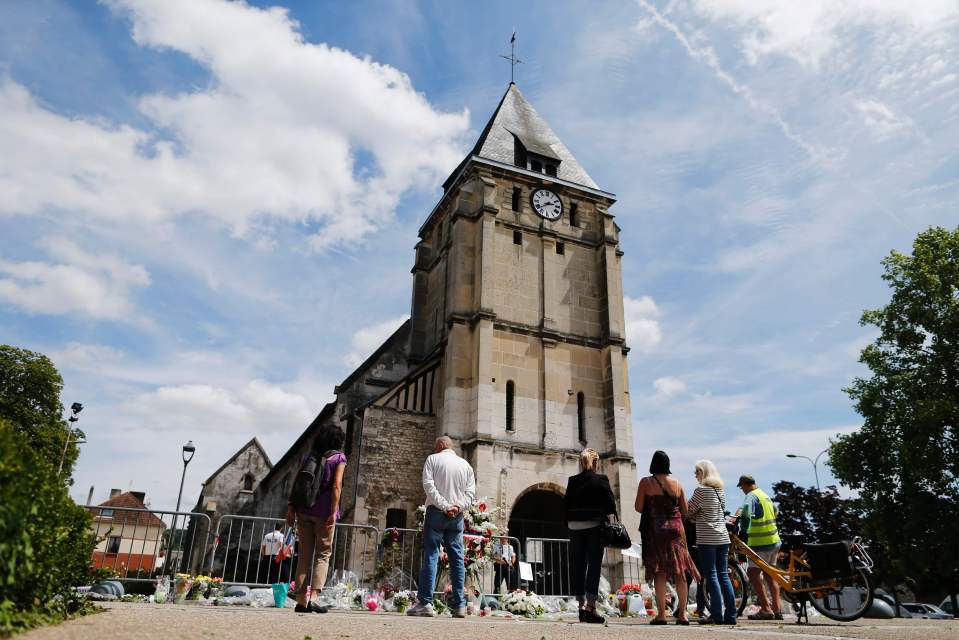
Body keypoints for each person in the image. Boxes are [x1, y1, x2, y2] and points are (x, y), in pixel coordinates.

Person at [407, 436, 476, 618]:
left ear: (439, 446)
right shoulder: (465, 465)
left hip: (437, 512)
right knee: (457, 558)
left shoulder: (433, 459)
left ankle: (425, 603)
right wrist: (457, 506)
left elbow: (428, 486)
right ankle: (460, 605)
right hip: (457, 515)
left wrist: (444, 505)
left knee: (431, 554)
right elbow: (471, 493)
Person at [286, 424, 347, 614]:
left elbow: (297, 483)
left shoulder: (309, 457)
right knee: (323, 554)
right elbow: (337, 485)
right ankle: (313, 598)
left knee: (304, 555)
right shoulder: (339, 458)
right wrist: (333, 511)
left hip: (303, 510)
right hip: (324, 513)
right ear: (338, 441)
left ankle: (301, 601)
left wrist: (291, 508)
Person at [635, 450, 700, 625]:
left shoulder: (646, 482)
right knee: (680, 572)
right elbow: (685, 510)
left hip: (656, 530)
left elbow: (638, 507)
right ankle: (683, 615)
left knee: (660, 571)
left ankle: (662, 615)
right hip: (677, 530)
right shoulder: (677, 483)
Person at [565, 448, 618, 624]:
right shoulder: (601, 480)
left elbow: (566, 505)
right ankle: (591, 607)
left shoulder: (573, 481)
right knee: (594, 564)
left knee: (578, 564)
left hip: (574, 526)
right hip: (594, 526)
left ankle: (580, 605)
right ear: (595, 463)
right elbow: (611, 505)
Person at [687, 460, 737, 625]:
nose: (695, 475)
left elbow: (688, 511)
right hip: (723, 537)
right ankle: (731, 615)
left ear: (704, 473)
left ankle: (716, 614)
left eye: (697, 472)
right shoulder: (719, 490)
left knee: (711, 575)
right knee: (724, 575)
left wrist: (694, 516)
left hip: (707, 538)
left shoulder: (701, 490)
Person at [736, 474, 782, 620]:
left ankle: (766, 609)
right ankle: (777, 608)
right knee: (770, 574)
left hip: (760, 543)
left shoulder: (751, 496)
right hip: (774, 541)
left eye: (741, 487)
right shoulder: (765, 495)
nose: (742, 490)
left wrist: (742, 532)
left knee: (753, 573)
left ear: (745, 484)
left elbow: (746, 516)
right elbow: (776, 512)